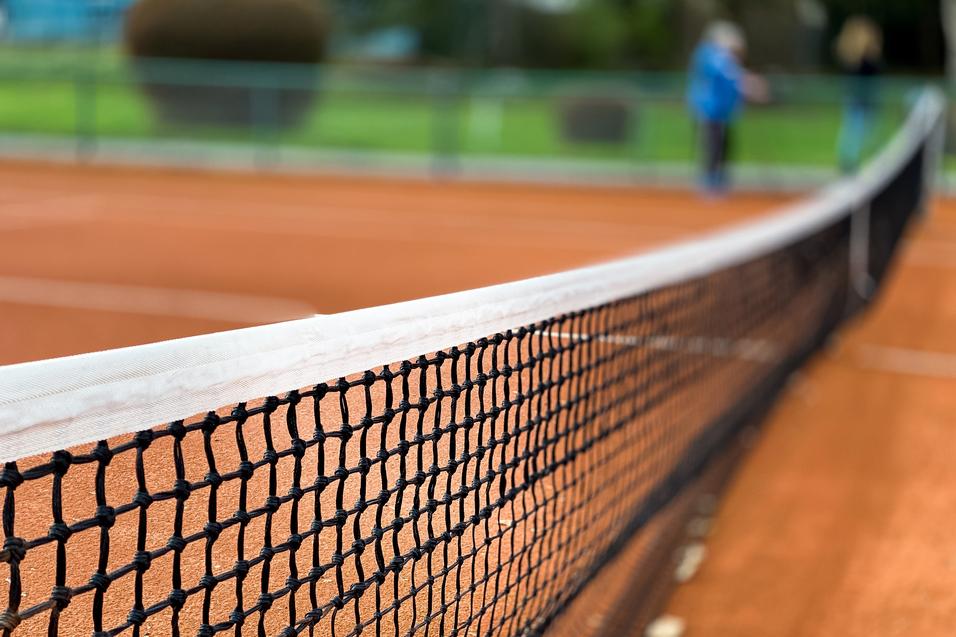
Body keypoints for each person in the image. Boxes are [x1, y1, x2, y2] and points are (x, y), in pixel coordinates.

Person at [687, 21, 767, 195]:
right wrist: (749, 83)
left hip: (724, 112)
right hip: (709, 110)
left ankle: (720, 178)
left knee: (724, 145)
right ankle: (709, 181)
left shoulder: (725, 58)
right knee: (712, 145)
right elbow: (727, 74)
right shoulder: (710, 54)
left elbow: (733, 79)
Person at [835, 16, 882, 174]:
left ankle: (858, 162)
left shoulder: (865, 58)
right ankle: (849, 163)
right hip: (858, 100)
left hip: (865, 100)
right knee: (855, 131)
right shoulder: (858, 59)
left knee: (863, 132)